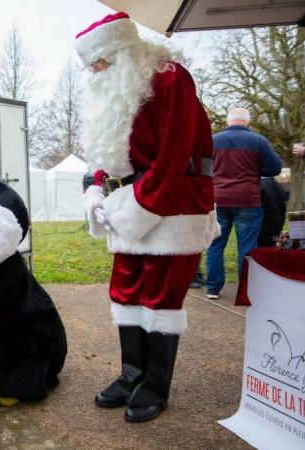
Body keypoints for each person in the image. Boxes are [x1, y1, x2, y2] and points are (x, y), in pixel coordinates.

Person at [75, 12, 220, 422]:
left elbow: (175, 156)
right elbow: (107, 153)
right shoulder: (114, 92)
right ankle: (131, 374)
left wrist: (140, 206)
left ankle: (155, 384)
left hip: (172, 206)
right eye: (90, 64)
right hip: (129, 207)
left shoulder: (171, 79)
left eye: (99, 61)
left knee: (161, 298)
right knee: (126, 290)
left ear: (121, 51)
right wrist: (94, 190)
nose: (94, 70)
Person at [205, 108, 282, 299]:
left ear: (227, 122)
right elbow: (274, 168)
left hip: (218, 199)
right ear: (248, 122)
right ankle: (245, 289)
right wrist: (256, 168)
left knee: (215, 244)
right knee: (247, 246)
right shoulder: (259, 141)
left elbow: (203, 169)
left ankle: (213, 287)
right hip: (248, 200)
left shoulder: (213, 141)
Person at [258, 176, 288, 247]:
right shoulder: (278, 185)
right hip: (277, 223)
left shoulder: (259, 185)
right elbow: (282, 208)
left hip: (262, 225)